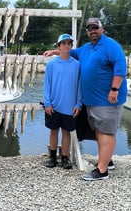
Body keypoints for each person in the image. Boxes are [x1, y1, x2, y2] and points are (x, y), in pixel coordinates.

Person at [44, 18, 127, 180]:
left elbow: (120, 68)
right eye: (89, 28)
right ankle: (107, 160)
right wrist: (54, 52)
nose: (92, 31)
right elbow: (70, 53)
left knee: (107, 133)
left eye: (95, 27)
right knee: (98, 131)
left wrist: (114, 89)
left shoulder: (111, 46)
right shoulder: (86, 48)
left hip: (107, 100)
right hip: (92, 101)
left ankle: (102, 171)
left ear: (102, 29)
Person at [43, 33, 82, 170]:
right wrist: (47, 103)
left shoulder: (77, 65)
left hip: (70, 106)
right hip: (53, 105)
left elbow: (79, 86)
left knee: (67, 132)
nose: (66, 46)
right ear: (58, 46)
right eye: (63, 43)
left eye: (69, 43)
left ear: (71, 46)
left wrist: (78, 104)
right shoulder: (51, 64)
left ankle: (65, 158)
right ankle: (53, 158)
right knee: (53, 131)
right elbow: (47, 85)